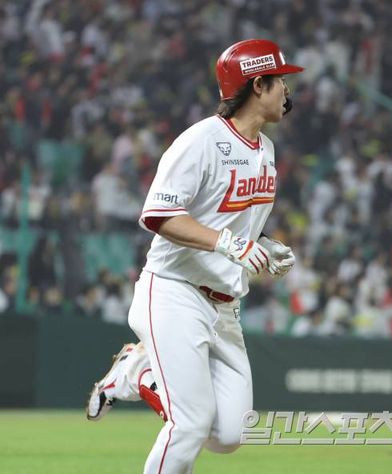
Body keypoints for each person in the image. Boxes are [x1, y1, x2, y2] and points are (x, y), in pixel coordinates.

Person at [85, 39, 303, 473]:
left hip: (225, 305)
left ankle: (135, 372)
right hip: (175, 291)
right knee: (189, 424)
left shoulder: (266, 149)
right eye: (280, 80)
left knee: (229, 434)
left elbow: (233, 221)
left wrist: (262, 243)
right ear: (258, 85)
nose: (286, 89)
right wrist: (229, 244)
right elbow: (158, 215)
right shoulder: (201, 140)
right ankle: (137, 372)